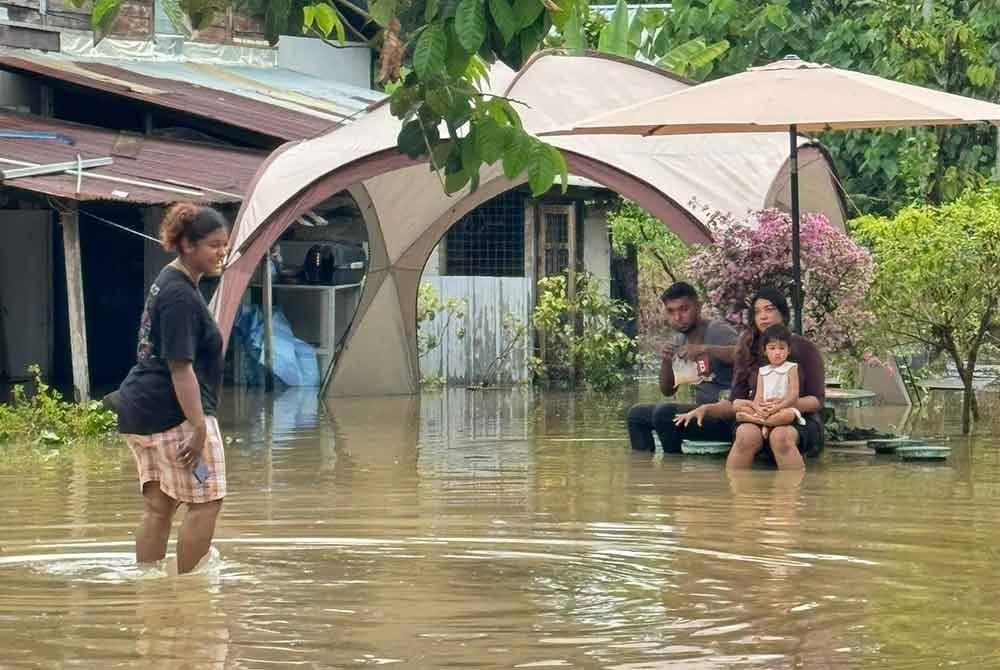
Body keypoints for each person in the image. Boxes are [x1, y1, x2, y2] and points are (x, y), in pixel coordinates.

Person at [115, 203, 230, 573]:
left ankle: (148, 584)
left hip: (140, 410)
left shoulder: (167, 280)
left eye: (224, 245)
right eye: (213, 245)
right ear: (187, 245)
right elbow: (181, 368)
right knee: (207, 500)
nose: (222, 253)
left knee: (159, 505)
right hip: (175, 415)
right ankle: (189, 589)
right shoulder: (180, 295)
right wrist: (198, 427)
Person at [675, 287, 825, 470]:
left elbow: (816, 400)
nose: (763, 317)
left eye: (769, 310)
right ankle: (736, 488)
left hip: (797, 419)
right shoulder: (747, 350)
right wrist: (706, 409)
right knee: (746, 436)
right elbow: (736, 401)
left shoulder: (805, 349)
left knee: (780, 437)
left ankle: (794, 488)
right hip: (756, 415)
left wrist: (781, 405)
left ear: (783, 313)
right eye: (757, 312)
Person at [626, 282, 738, 453]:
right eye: (671, 311)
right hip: (700, 415)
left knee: (664, 413)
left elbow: (745, 355)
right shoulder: (679, 340)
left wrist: (705, 349)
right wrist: (666, 362)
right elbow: (668, 390)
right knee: (636, 415)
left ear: (698, 307)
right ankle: (643, 467)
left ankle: (672, 465)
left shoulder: (718, 330)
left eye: (684, 309)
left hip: (727, 416)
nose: (677, 317)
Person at [734, 324, 805, 438]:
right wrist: (758, 408)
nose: (777, 352)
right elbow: (758, 396)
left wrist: (777, 407)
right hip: (764, 408)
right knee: (737, 405)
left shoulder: (791, 368)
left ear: (788, 350)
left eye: (782, 348)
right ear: (765, 351)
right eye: (772, 348)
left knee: (788, 415)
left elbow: (793, 395)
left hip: (782, 407)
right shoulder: (762, 371)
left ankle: (757, 421)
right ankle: (767, 422)